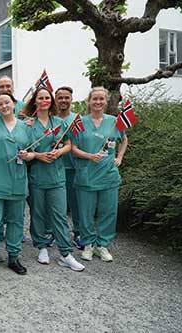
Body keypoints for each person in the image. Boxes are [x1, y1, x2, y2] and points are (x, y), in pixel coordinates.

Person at [25, 87, 85, 272]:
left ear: (51, 101)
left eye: (47, 98)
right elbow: (23, 150)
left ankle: (65, 253)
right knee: (38, 213)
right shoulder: (28, 124)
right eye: (40, 98)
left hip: (57, 176)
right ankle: (41, 246)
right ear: (35, 101)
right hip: (37, 175)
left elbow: (68, 144)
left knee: (59, 214)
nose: (44, 100)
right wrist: (38, 155)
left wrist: (59, 151)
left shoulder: (59, 122)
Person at [0, 92, 34, 276]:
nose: (4, 106)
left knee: (16, 221)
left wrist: (28, 156)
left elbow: (33, 151)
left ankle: (13, 257)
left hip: (17, 182)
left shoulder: (26, 127)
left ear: (14, 103)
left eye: (7, 102)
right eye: (0, 103)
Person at [71, 87, 128, 262]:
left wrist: (119, 157)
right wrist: (89, 156)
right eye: (94, 99)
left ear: (106, 101)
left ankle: (102, 245)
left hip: (108, 175)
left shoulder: (114, 122)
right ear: (89, 101)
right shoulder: (80, 122)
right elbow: (72, 148)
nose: (98, 102)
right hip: (86, 175)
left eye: (101, 99)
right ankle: (88, 244)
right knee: (85, 212)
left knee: (108, 212)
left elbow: (124, 139)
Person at [54, 86, 83, 250]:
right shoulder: (50, 118)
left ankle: (78, 232)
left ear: (71, 99)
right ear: (55, 100)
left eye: (66, 97)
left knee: (75, 203)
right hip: (54, 167)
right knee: (55, 204)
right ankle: (51, 232)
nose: (63, 100)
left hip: (73, 167)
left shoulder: (77, 119)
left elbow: (83, 140)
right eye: (60, 98)